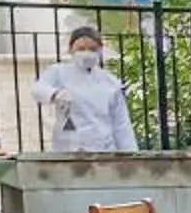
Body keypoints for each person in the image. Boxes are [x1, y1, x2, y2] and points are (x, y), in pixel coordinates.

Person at [31, 24, 133, 153]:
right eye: (81, 48)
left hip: (104, 148)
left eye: (92, 49)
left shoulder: (110, 82)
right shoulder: (59, 72)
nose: (86, 53)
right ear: (70, 49)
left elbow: (121, 124)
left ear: (100, 50)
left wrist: (130, 154)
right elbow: (38, 89)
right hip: (70, 146)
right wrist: (54, 94)